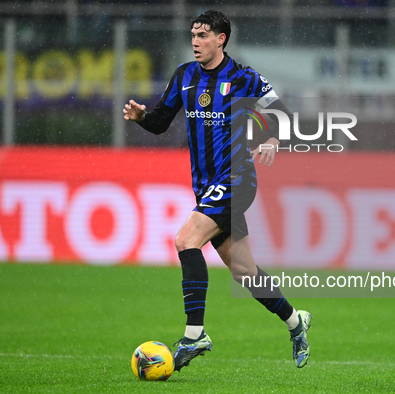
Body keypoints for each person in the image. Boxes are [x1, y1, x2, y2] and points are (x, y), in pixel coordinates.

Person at [123, 9, 312, 370]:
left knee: (185, 240)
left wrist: (270, 138)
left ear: (221, 39)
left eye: (203, 35)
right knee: (243, 271)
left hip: (236, 179)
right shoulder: (184, 76)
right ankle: (295, 321)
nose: (195, 41)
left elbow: (283, 114)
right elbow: (162, 122)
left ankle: (195, 335)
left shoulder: (243, 78)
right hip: (206, 185)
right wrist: (143, 117)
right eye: (193, 35)